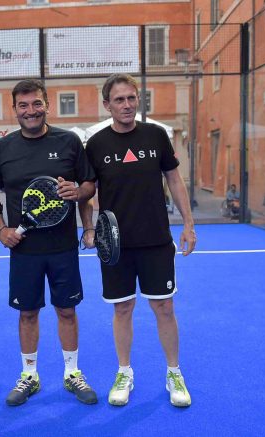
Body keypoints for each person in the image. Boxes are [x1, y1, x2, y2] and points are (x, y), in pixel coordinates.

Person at [78, 73, 195, 408]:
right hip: (115, 245)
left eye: (131, 98)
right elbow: (87, 191)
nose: (127, 105)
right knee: (123, 308)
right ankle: (124, 372)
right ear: (107, 105)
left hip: (156, 240)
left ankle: (174, 373)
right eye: (119, 99)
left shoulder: (156, 135)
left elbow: (174, 179)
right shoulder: (96, 145)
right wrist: (89, 228)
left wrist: (188, 224)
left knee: (164, 307)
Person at [0, 79, 98, 406]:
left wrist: (78, 192)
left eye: (37, 103)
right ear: (14, 109)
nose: (31, 111)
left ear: (47, 105)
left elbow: (89, 184)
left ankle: (72, 373)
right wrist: (1, 229)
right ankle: (29, 376)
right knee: (28, 313)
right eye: (23, 105)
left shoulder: (69, 142)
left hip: (63, 248)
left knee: (67, 310)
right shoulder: (3, 149)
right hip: (24, 251)